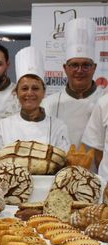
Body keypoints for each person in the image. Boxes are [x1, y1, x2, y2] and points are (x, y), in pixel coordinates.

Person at [0, 47, 70, 156]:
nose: (29, 93)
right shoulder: (4, 126)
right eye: (24, 88)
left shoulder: (58, 127)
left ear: (44, 92)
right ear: (16, 92)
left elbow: (62, 160)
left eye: (35, 88)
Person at [43, 18, 104, 148]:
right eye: (74, 65)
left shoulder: (105, 101)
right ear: (65, 68)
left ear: (94, 68)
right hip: (60, 167)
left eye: (86, 65)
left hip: (99, 168)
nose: (79, 70)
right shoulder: (49, 104)